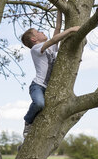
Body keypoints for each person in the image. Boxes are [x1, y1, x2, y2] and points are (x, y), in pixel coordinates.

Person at [21, 10, 80, 138]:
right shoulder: (36, 49)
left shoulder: (50, 48)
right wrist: (71, 30)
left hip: (47, 88)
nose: (42, 32)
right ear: (34, 39)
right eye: (38, 32)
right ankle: (28, 120)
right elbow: (54, 39)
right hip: (37, 86)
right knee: (39, 103)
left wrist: (59, 9)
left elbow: (57, 28)